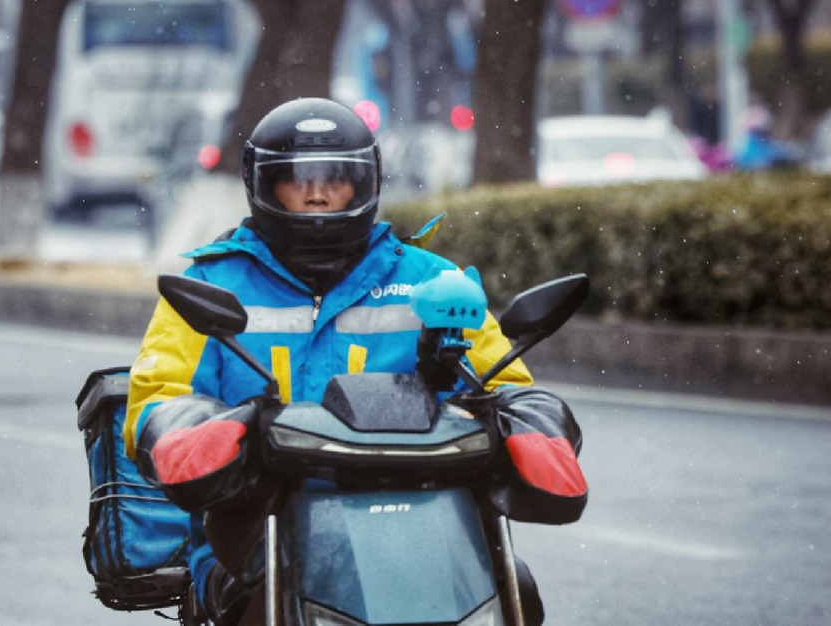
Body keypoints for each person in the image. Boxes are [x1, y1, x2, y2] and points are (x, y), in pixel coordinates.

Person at [124, 98, 586, 625]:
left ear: (366, 183)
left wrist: (533, 420)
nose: (318, 194)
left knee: (517, 591)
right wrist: (211, 431)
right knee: (260, 607)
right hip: (259, 528)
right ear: (262, 184)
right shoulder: (209, 283)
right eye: (297, 180)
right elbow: (157, 399)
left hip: (426, 525)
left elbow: (503, 382)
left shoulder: (434, 281)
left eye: (336, 179)